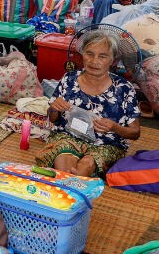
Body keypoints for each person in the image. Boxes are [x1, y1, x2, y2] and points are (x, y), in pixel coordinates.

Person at [36, 29, 140, 177]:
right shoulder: (69, 79)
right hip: (68, 136)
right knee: (64, 156)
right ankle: (70, 183)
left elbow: (135, 132)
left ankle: (68, 184)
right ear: (82, 54)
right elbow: (53, 119)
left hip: (106, 143)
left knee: (88, 163)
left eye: (102, 56)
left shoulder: (124, 89)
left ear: (113, 60)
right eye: (89, 53)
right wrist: (53, 108)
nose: (94, 61)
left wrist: (115, 127)